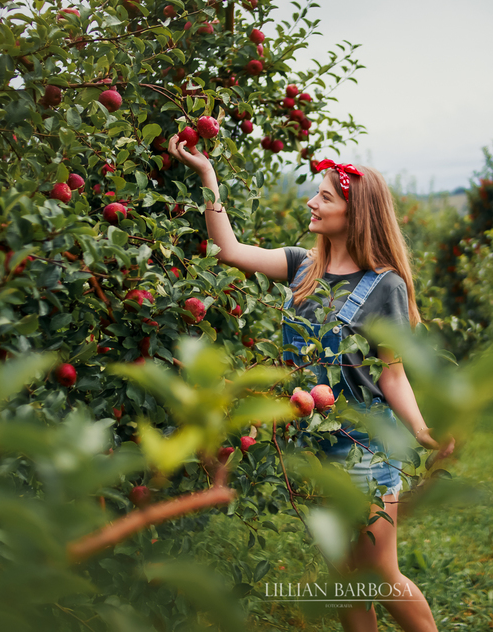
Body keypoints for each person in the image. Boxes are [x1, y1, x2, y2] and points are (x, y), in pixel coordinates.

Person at [169, 134, 455, 632]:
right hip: (315, 442)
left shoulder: (384, 285)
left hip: (364, 445)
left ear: (355, 212)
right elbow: (229, 249)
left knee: (378, 572)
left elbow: (392, 374)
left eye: (325, 196)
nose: (311, 201)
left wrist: (422, 431)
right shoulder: (303, 266)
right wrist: (207, 177)